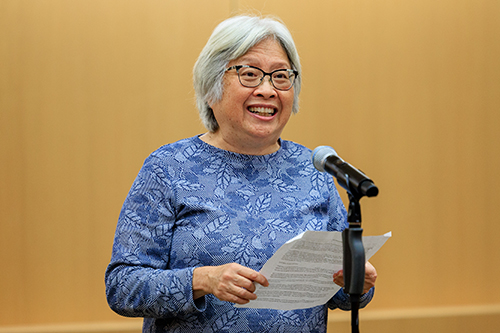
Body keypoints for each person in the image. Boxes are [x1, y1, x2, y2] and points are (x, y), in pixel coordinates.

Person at [105, 15, 377, 332]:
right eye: (249, 74)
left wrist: (357, 282)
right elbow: (122, 286)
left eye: (280, 76)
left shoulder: (312, 169)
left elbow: (342, 296)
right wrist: (202, 280)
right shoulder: (169, 167)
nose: (267, 89)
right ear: (211, 86)